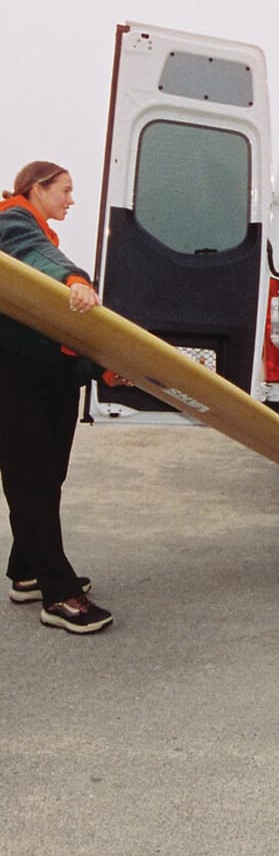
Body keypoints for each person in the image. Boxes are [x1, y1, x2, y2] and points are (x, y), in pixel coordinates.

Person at [0, 161, 122, 634]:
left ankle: (26, 571)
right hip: (16, 378)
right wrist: (75, 280)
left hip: (44, 378)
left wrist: (104, 367)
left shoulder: (41, 234)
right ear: (36, 188)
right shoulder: (12, 219)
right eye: (65, 190)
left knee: (46, 476)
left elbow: (54, 329)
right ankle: (58, 594)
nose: (71, 200)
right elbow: (35, 260)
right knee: (33, 480)